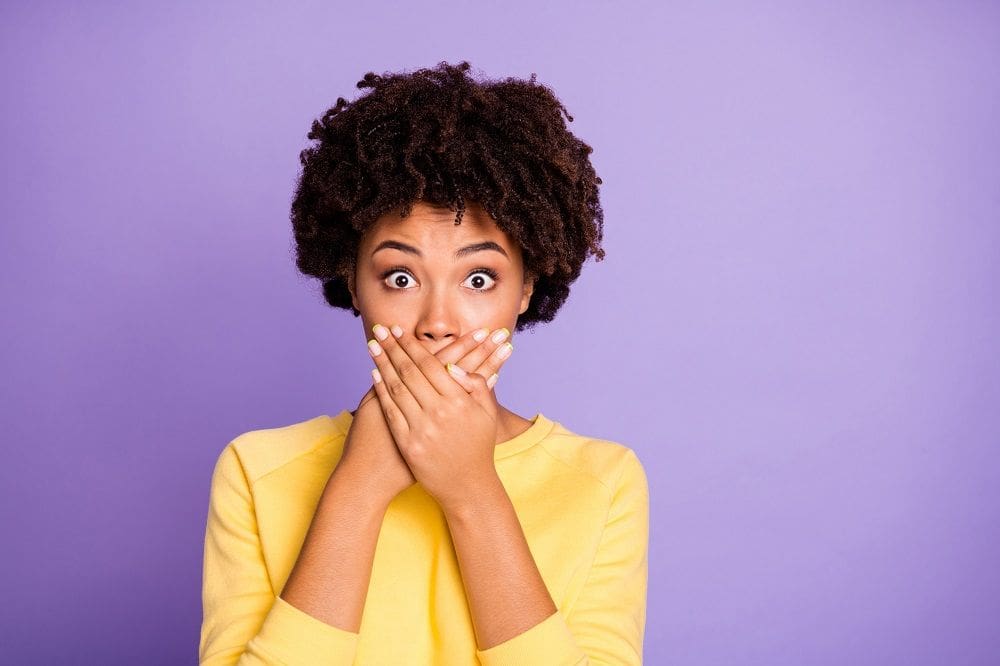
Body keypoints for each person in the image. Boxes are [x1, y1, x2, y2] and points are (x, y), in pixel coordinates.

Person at [199, 60, 649, 665]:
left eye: (479, 278)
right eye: (401, 276)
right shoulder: (256, 471)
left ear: (525, 289)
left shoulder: (603, 482)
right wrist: (356, 491)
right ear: (354, 284)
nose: (437, 321)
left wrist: (472, 493)